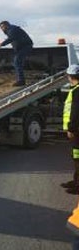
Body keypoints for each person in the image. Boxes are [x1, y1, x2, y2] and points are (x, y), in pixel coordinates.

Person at [0, 21, 33, 87]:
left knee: (17, 62)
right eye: (1, 28)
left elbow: (11, 38)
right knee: (17, 62)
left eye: (2, 27)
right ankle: (20, 79)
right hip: (22, 47)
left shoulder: (12, 29)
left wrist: (2, 44)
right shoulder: (11, 30)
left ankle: (21, 81)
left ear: (6, 25)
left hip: (25, 46)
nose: (2, 29)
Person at [62, 64, 79, 194]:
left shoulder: (77, 91)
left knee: (78, 158)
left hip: (77, 130)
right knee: (76, 157)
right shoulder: (75, 89)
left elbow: (75, 112)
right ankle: (76, 181)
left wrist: (71, 129)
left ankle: (78, 186)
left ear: (69, 76)